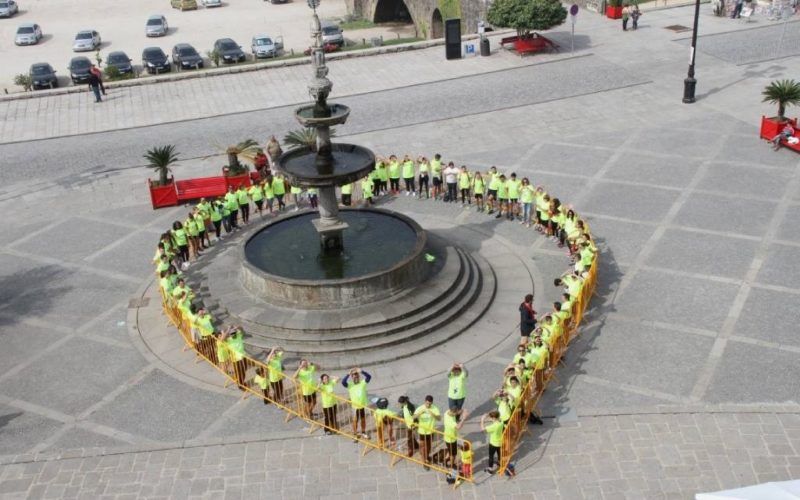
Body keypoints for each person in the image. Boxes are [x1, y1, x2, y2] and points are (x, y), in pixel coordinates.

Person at [342, 367, 371, 439]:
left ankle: (363, 432)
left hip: (363, 406)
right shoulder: (350, 385)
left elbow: (369, 377)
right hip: (355, 407)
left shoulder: (362, 383)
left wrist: (362, 371)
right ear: (352, 377)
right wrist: (348, 374)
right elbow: (343, 382)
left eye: (357, 376)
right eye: (354, 376)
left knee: (363, 420)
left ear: (359, 376)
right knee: (355, 421)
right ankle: (355, 434)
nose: (356, 377)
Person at [413, 395, 441, 469]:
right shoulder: (420, 408)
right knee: (423, 446)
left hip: (430, 431)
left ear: (432, 403)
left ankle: (426, 456)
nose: (428, 405)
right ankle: (424, 462)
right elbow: (413, 417)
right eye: (427, 403)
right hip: (422, 431)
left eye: (430, 404)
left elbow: (439, 418)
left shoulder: (435, 408)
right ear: (425, 401)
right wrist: (420, 413)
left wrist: (433, 414)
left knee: (428, 446)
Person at [481, 411, 509, 475]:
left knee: (491, 456)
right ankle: (500, 462)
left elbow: (483, 430)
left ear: (493, 418)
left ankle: (490, 469)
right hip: (500, 441)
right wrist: (489, 415)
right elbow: (496, 417)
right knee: (499, 453)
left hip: (493, 443)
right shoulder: (501, 421)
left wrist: (482, 420)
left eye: (491, 418)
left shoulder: (493, 426)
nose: (490, 419)